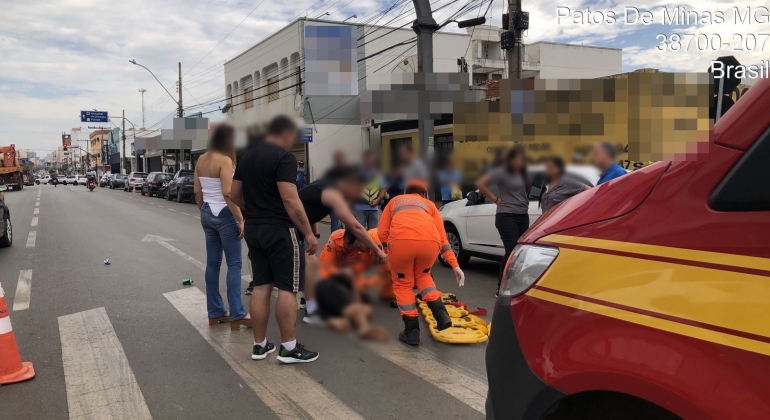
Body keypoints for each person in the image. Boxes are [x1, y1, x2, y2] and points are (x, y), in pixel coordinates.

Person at [231, 116, 320, 364]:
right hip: (279, 230)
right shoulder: (284, 158)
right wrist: (309, 233)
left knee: (260, 286)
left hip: (254, 229)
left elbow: (234, 194)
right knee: (287, 288)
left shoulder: (246, 156)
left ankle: (259, 346)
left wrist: (255, 211)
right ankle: (289, 348)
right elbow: (290, 199)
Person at [378, 178, 465, 346]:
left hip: (401, 243)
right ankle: (441, 315)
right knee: (424, 277)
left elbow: (382, 232)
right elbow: (443, 238)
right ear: (424, 194)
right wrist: (455, 265)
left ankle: (411, 331)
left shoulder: (395, 201)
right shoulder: (430, 205)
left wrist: (389, 249)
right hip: (430, 245)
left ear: (406, 192)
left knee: (403, 284)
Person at [298, 167, 389, 324]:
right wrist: (378, 252)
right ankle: (311, 311)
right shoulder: (334, 192)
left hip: (294, 224)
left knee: (304, 264)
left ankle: (306, 299)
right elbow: (356, 227)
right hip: (286, 224)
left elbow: (308, 211)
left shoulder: (325, 186)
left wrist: (314, 234)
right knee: (310, 262)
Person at [193, 124, 250, 330]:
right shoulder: (225, 160)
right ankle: (237, 313)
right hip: (225, 214)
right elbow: (228, 193)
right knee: (234, 264)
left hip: (207, 212)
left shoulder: (201, 159)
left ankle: (215, 312)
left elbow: (197, 192)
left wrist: (204, 211)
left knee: (213, 263)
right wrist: (241, 219)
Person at [476, 146, 530, 295]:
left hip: (522, 215)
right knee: (511, 251)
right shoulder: (502, 172)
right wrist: (495, 199)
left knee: (521, 252)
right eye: (516, 158)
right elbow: (480, 183)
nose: (520, 161)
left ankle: (516, 285)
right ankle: (501, 288)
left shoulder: (524, 173)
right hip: (506, 215)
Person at [318, 227, 394, 302]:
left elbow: (383, 270)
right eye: (348, 244)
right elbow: (327, 264)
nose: (351, 248)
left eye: (357, 247)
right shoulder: (336, 239)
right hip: (332, 260)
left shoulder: (373, 242)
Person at [314, 271, 390, 341]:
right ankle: (363, 327)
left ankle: (363, 327)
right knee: (360, 309)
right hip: (329, 295)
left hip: (331, 305)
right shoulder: (338, 285)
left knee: (364, 309)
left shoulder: (354, 302)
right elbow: (348, 276)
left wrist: (331, 321)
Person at [354, 151, 387, 230]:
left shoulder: (378, 173)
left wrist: (378, 200)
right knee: (359, 232)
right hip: (359, 208)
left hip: (374, 208)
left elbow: (383, 189)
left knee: (373, 233)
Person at [324, 150, 348, 231]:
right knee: (335, 225)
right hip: (334, 203)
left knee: (349, 225)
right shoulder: (330, 173)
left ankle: (345, 242)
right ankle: (334, 242)